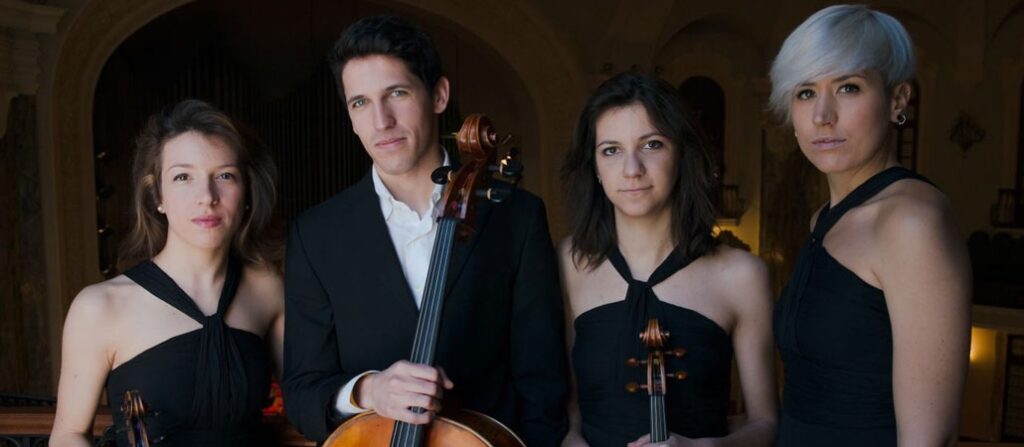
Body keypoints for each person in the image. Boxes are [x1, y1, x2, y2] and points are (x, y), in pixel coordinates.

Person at [281, 15, 568, 446]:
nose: (381, 121)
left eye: (396, 93)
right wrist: (369, 391)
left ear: (438, 95)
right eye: (360, 103)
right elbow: (302, 392)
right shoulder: (316, 234)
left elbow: (543, 383)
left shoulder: (516, 217)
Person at [769, 5, 972, 446]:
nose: (822, 115)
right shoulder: (824, 218)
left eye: (848, 87)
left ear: (897, 100)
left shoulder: (912, 222)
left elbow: (928, 439)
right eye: (805, 92)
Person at [559, 72, 777, 447]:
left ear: (681, 154)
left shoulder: (742, 275)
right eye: (611, 150)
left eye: (652, 145)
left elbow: (765, 423)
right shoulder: (569, 262)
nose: (632, 169)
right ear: (594, 166)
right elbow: (569, 409)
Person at [50, 99, 285, 446]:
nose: (206, 197)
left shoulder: (267, 290)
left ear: (247, 191)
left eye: (225, 175)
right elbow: (67, 434)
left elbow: (306, 394)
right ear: (157, 194)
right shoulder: (99, 307)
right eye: (183, 177)